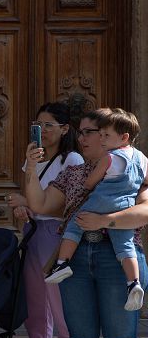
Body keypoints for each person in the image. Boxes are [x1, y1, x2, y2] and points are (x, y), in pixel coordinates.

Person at [23, 109, 147, 338]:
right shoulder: (74, 173)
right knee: (81, 337)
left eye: (91, 132)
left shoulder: (135, 166)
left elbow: (145, 210)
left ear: (111, 136)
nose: (83, 138)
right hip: (76, 259)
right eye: (81, 132)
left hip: (116, 257)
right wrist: (32, 166)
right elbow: (39, 205)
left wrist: (106, 221)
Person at [4, 102, 81, 338]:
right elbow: (31, 197)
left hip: (56, 235)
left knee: (61, 315)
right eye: (38, 124)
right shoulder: (33, 159)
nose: (43, 131)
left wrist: (29, 200)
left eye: (49, 125)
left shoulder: (71, 159)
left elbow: (66, 205)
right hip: (34, 233)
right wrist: (23, 204)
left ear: (65, 129)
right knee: (36, 312)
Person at [45, 109, 145, 312]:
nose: (102, 139)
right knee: (126, 247)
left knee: (75, 223)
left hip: (103, 201)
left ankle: (62, 263)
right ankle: (133, 283)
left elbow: (91, 182)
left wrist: (89, 188)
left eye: (105, 135)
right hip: (125, 206)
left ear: (123, 137)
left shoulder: (109, 158)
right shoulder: (141, 157)